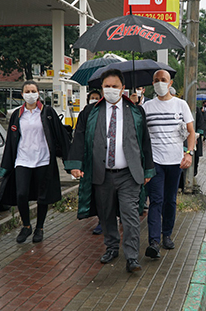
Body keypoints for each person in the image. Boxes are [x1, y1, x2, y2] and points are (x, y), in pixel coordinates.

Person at [65, 69, 155, 273]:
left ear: (123, 88)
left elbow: (145, 142)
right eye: (107, 86)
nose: (111, 90)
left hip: (128, 174)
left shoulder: (135, 111)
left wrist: (148, 170)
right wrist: (76, 164)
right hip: (101, 172)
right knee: (106, 215)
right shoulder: (90, 111)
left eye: (115, 86)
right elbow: (79, 137)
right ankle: (112, 246)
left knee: (130, 215)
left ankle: (132, 257)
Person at [0, 80, 71, 243]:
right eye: (27, 91)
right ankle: (26, 226)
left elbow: (61, 137)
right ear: (22, 95)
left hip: (43, 160)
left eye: (33, 91)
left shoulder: (47, 112)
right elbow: (11, 140)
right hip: (23, 160)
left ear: (38, 94)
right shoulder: (17, 115)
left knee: (42, 197)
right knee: (21, 193)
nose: (30, 94)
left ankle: (40, 228)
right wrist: (6, 165)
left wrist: (70, 163)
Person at [142, 69, 195, 258]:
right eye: (156, 80)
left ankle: (167, 235)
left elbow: (190, 132)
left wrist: (188, 153)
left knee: (170, 201)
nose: (159, 83)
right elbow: (141, 135)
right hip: (155, 161)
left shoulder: (181, 105)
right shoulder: (146, 107)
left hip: (175, 161)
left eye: (163, 80)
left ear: (170, 83)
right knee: (156, 200)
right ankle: (154, 242)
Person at [86, 90, 104, 235]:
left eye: (97, 98)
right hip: (93, 161)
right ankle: (101, 221)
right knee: (98, 194)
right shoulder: (86, 114)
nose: (94, 100)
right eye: (92, 98)